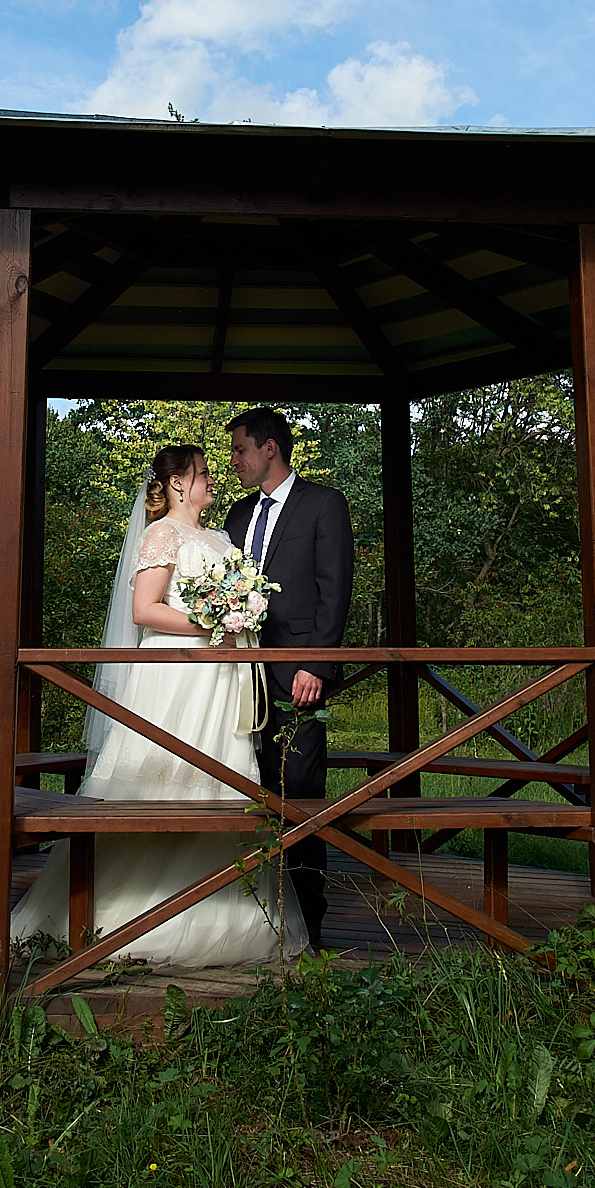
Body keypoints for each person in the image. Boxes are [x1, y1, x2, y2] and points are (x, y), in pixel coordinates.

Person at [9, 444, 302, 965]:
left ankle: (221, 914)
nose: (213, 480)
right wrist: (210, 623)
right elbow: (144, 610)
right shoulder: (160, 534)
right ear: (176, 485)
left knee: (223, 784)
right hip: (174, 680)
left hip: (219, 681)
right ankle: (119, 912)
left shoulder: (220, 537)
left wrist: (241, 614)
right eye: (203, 474)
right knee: (161, 781)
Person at [221, 406, 355, 951]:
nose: (233, 462)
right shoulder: (235, 515)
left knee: (299, 795)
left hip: (299, 673)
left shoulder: (323, 504)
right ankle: (255, 920)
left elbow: (335, 591)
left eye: (239, 450)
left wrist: (316, 666)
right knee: (245, 790)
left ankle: (308, 925)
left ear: (268, 448)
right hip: (236, 680)